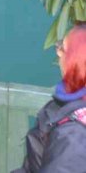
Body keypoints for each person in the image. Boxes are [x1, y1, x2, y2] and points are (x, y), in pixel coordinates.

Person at [14, 23, 86, 172]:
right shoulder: (65, 107)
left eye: (63, 48)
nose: (58, 53)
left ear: (77, 61)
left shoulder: (73, 137)